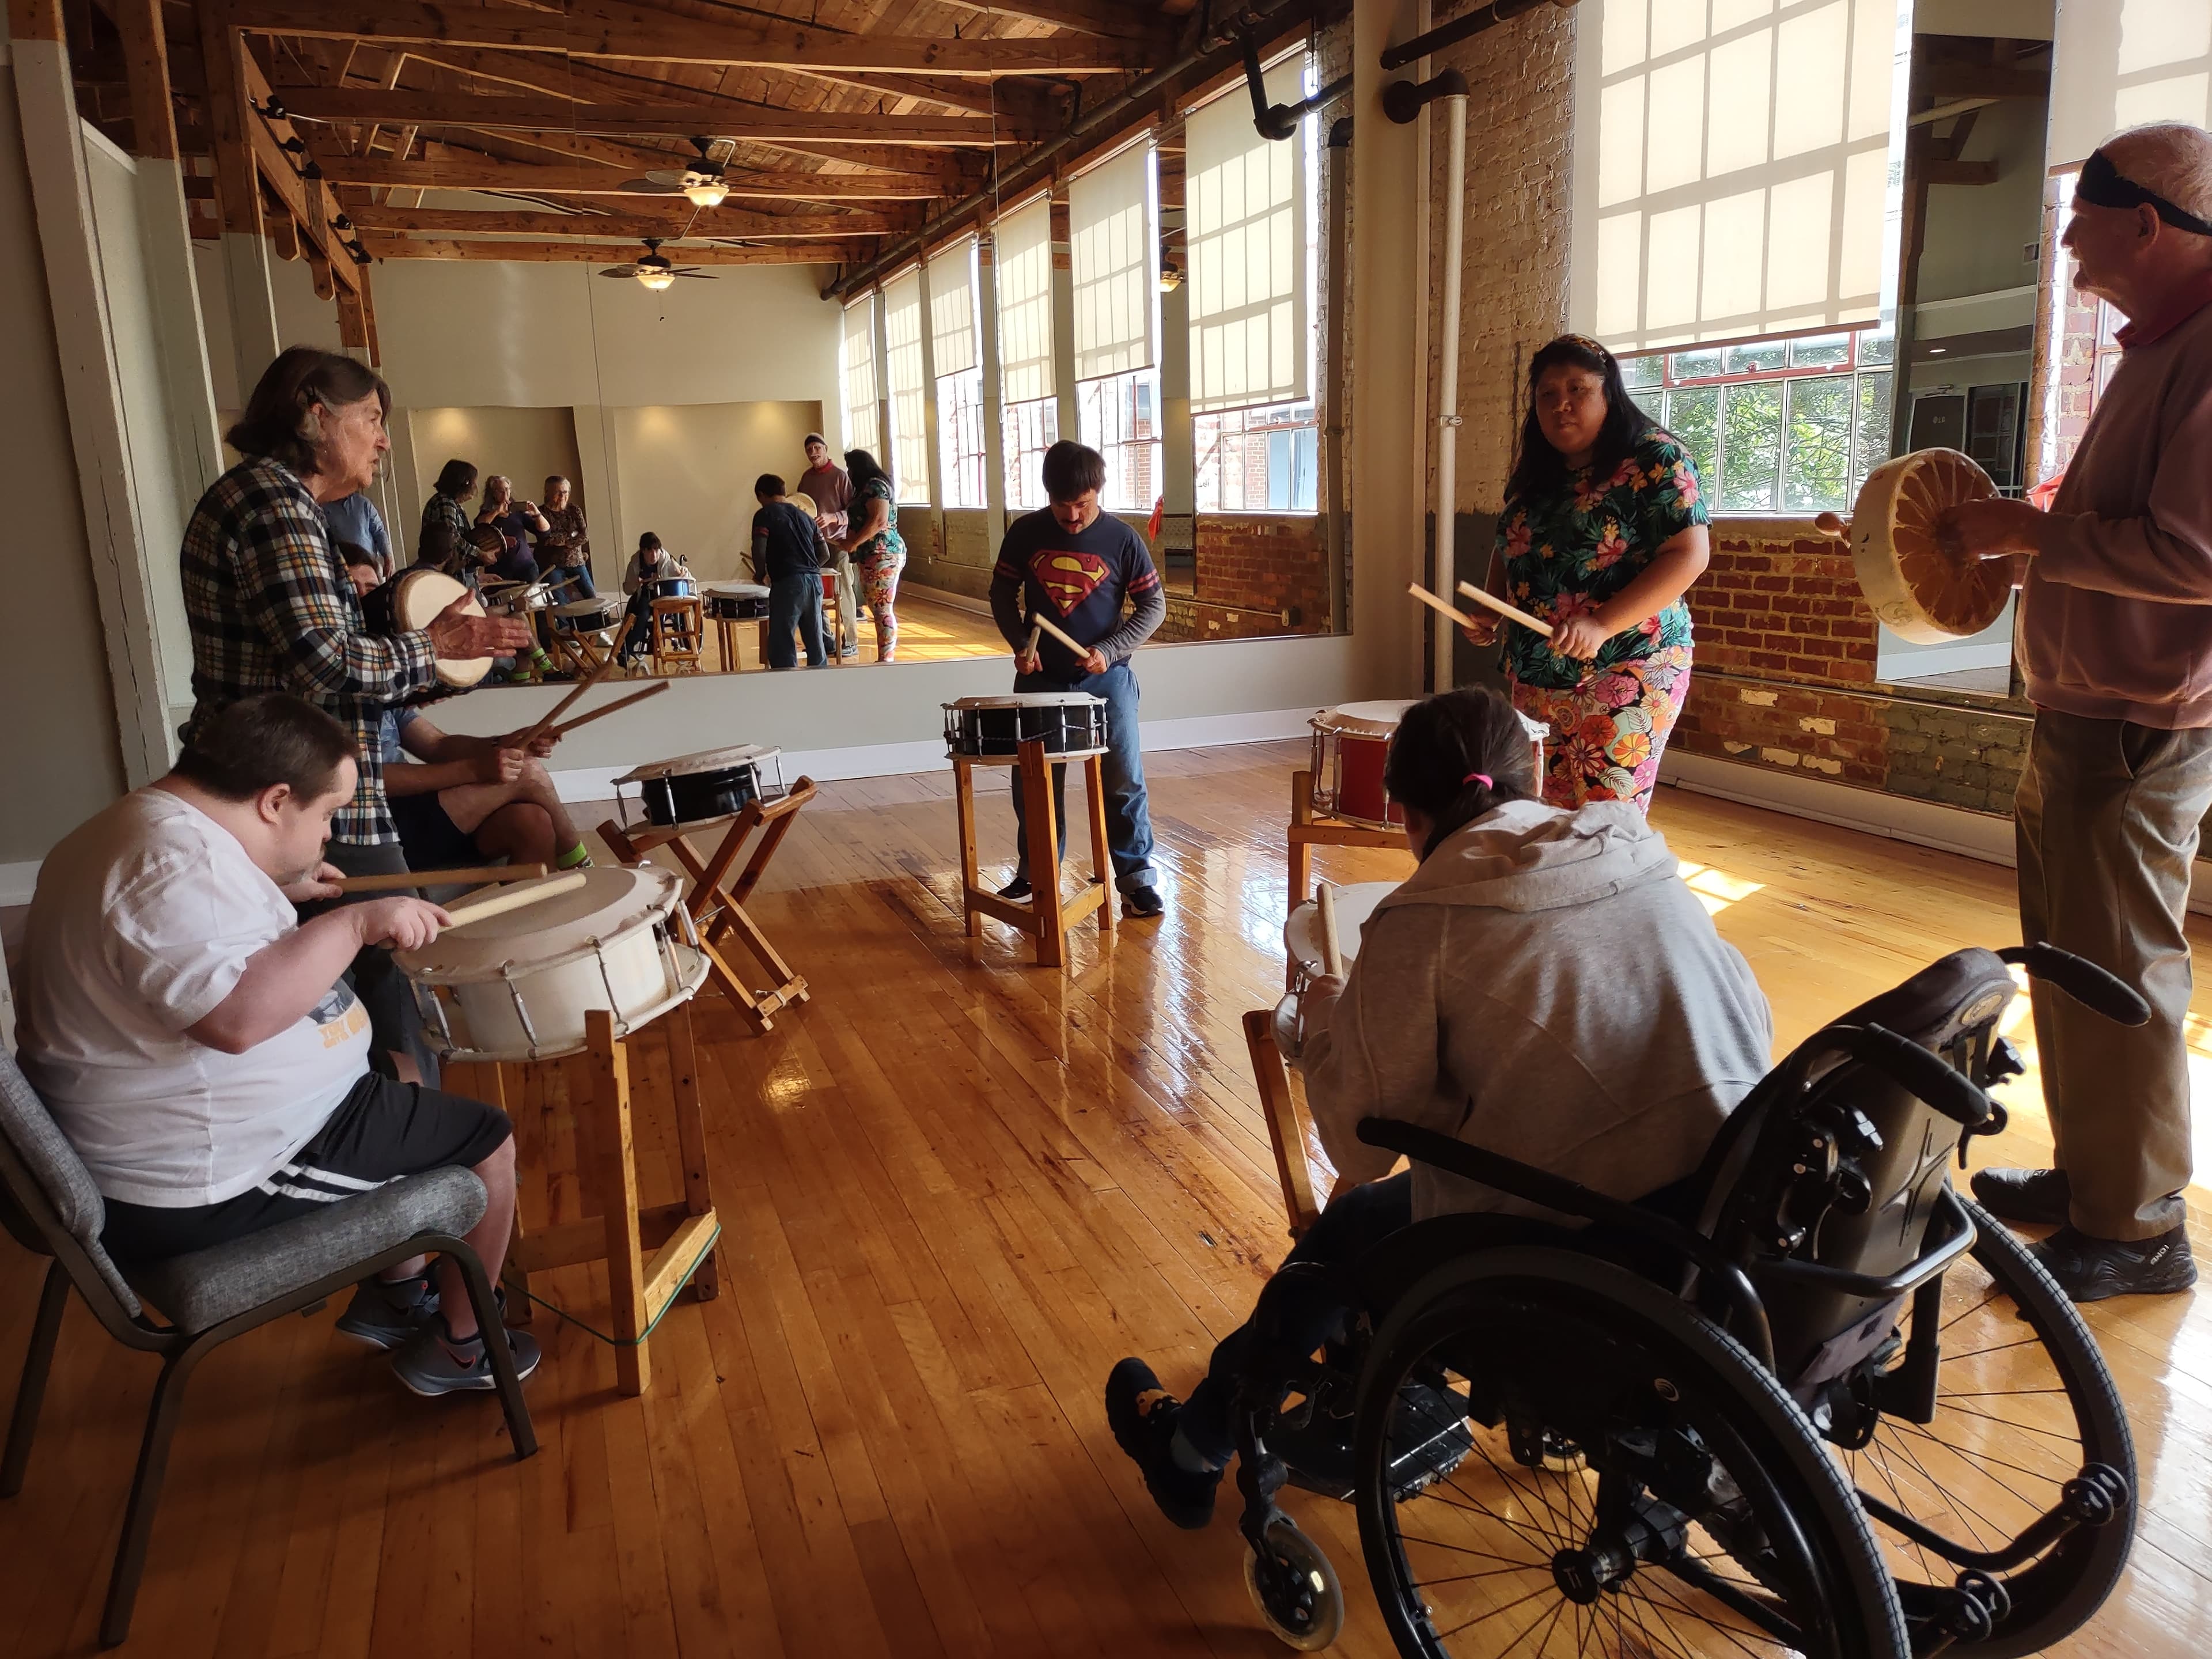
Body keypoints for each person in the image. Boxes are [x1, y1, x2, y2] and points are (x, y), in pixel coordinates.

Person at [1100, 685, 1772, 1526]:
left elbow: (1360, 1146)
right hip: (1732, 1204)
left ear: (1406, 815)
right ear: (1528, 780)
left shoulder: (1422, 919)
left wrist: (1322, 1032)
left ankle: (1191, 1450)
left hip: (1600, 1244)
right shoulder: (1638, 852)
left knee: (1344, 1237)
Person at [13, 694, 541, 1395]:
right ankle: (465, 1345)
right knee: (489, 1143)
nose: (328, 834)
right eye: (326, 815)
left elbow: (180, 948)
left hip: (192, 1128)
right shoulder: (169, 866)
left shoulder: (144, 830)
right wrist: (353, 926)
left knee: (405, 1070)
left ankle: (398, 1297)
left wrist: (280, 889)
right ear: (275, 800)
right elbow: (234, 1020)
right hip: (203, 1177)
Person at [1941, 122, 2212, 1301]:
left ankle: (2144, 1225)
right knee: (2070, 966)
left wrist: (2025, 534)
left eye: (2082, 219)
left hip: (2143, 727)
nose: (2064, 241)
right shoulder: (2160, 345)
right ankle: (2099, 1177)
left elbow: (2192, 556)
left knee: (2122, 972)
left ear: (2146, 223)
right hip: (2086, 714)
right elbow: (2105, 524)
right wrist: (2016, 539)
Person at [180, 347, 531, 1088]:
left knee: (371, 999)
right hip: (295, 800)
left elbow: (337, 676)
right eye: (371, 418)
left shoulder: (282, 502)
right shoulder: (272, 502)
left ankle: (403, 1143)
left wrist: (445, 660)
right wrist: (432, 646)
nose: (383, 439)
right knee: (394, 998)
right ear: (315, 413)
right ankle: (426, 1160)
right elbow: (325, 661)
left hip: (301, 794)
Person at [1459, 334, 1711, 812]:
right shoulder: (1539, 470)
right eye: (1548, 395)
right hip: (1539, 669)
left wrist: (1601, 624)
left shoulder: (1655, 458)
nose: (1562, 406)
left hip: (1630, 662)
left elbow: (1688, 556)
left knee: (1605, 819)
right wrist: (1493, 608)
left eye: (1578, 390)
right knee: (1541, 812)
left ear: (1609, 394)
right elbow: (1511, 540)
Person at [987, 440, 1167, 918]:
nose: (1071, 516)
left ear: (1099, 490)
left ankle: (1135, 878)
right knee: (1034, 782)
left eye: (1082, 504)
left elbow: (1154, 607)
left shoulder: (1123, 539)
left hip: (1108, 681)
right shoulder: (1025, 533)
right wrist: (1018, 645)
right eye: (1062, 505)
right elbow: (1001, 593)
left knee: (1123, 779)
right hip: (1041, 679)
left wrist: (1109, 651)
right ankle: (1037, 872)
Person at [382, 708, 592, 874]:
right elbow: (366, 779)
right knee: (527, 771)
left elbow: (438, 745)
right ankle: (579, 863)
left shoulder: (383, 698)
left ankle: (535, 922)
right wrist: (475, 769)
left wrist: (503, 743)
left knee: (533, 822)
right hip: (380, 821)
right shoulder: (351, 702)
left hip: (419, 807)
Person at [749, 474, 830, 669]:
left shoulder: (765, 514)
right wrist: (808, 569)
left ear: (761, 495)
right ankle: (821, 686)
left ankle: (786, 689)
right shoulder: (806, 517)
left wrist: (760, 574)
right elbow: (825, 553)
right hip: (814, 582)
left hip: (788, 583)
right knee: (815, 639)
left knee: (782, 642)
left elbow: (759, 549)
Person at [834, 448, 906, 662]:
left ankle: (886, 658)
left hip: (882, 553)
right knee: (878, 608)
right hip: (871, 554)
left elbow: (878, 521)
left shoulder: (877, 486)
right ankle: (885, 657)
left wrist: (854, 543)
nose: (849, 473)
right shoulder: (866, 489)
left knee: (883, 608)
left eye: (850, 468)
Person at [799, 433, 859, 658]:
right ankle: (825, 639)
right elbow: (801, 506)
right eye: (809, 450)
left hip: (838, 544)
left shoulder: (840, 477)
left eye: (817, 447)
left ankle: (851, 640)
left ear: (825, 449)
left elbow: (853, 512)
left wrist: (833, 518)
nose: (813, 453)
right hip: (813, 545)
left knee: (843, 590)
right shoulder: (806, 478)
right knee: (816, 592)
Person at [619, 532, 692, 662]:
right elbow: (627, 590)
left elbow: (683, 574)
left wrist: (684, 572)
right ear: (643, 551)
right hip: (646, 594)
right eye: (649, 551)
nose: (654, 555)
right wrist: (637, 583)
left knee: (672, 611)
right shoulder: (635, 564)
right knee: (642, 615)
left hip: (665, 595)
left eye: (656, 550)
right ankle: (627, 650)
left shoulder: (666, 560)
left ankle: (684, 643)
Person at [474, 474, 550, 589]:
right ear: (493, 493)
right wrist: (497, 511)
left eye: (507, 490)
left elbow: (544, 532)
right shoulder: (486, 513)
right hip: (500, 570)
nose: (506, 494)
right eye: (500, 491)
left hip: (526, 567)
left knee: (533, 602)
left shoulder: (518, 512)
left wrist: (537, 514)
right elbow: (480, 525)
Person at [417, 458, 482, 582]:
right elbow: (452, 538)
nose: (475, 487)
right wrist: (480, 553)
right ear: (464, 482)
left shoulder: (452, 504)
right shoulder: (445, 503)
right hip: (449, 573)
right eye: (473, 482)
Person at [533, 474, 594, 601]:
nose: (562, 496)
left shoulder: (574, 510)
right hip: (552, 565)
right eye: (558, 493)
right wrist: (573, 535)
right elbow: (547, 539)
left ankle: (598, 621)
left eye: (565, 492)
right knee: (560, 602)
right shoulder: (540, 513)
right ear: (548, 493)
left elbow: (585, 535)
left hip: (576, 561)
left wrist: (563, 541)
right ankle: (564, 622)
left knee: (592, 597)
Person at [323, 490, 391, 580]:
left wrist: (388, 557)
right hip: (344, 571)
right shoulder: (322, 508)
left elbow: (379, 532)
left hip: (371, 567)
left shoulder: (364, 503)